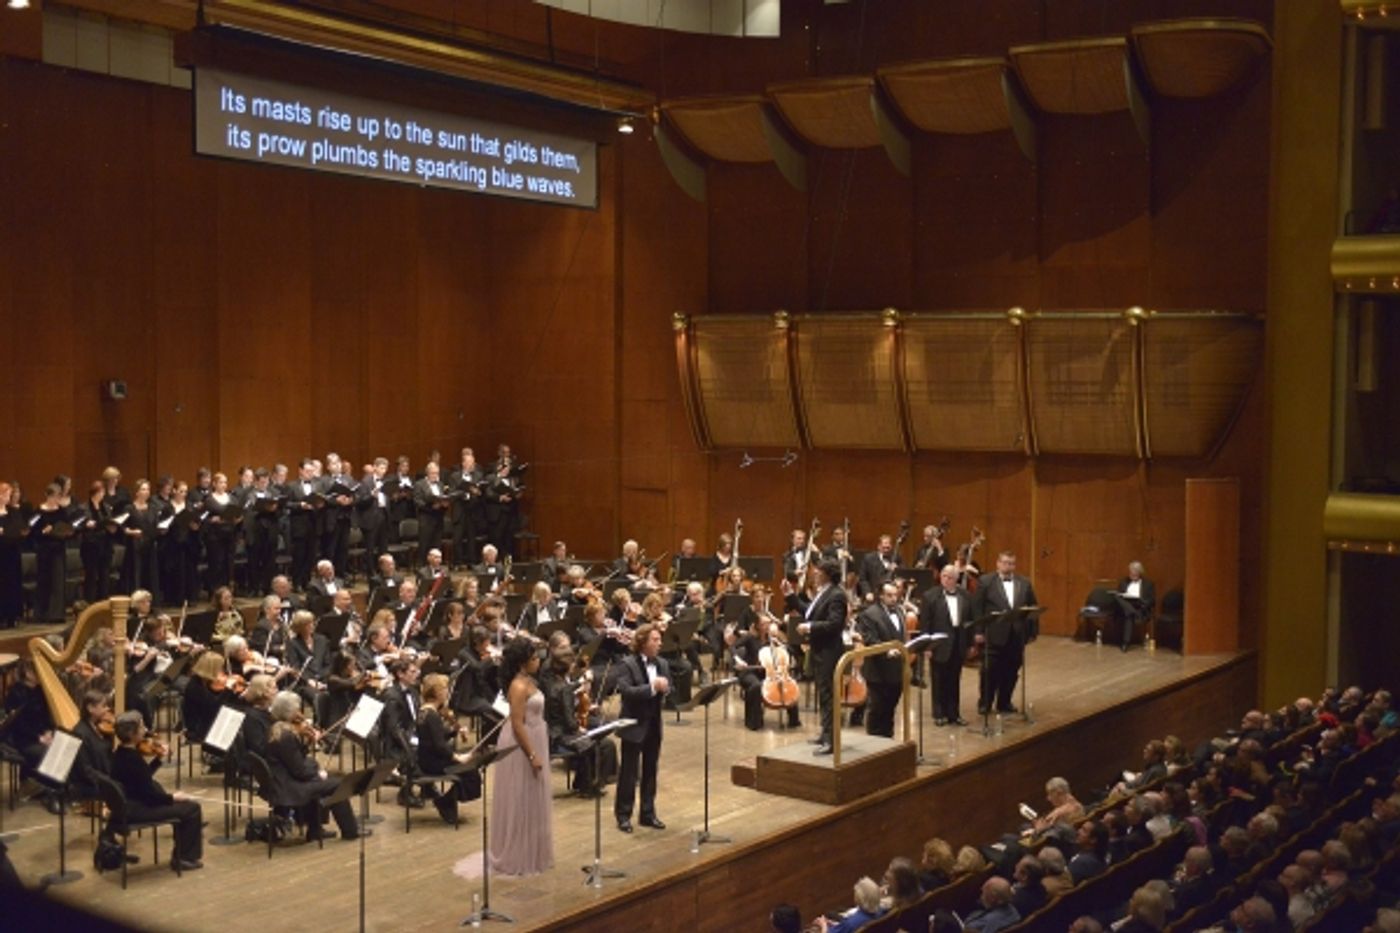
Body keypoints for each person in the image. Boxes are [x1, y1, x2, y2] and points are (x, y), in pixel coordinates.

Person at [488, 636, 553, 875]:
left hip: (536, 736)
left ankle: (532, 851)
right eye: (534, 658)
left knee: (533, 794)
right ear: (522, 662)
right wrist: (532, 754)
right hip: (521, 743)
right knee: (519, 796)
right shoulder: (517, 686)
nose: (538, 661)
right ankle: (516, 853)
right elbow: (517, 724)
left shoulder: (530, 680)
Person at [263, 692, 364, 840]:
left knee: (329, 779)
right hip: (289, 787)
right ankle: (350, 831)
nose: (300, 713)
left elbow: (295, 758)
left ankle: (315, 829)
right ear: (290, 713)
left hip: (284, 780)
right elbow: (300, 771)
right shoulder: (286, 736)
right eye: (297, 710)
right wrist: (316, 769)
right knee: (337, 784)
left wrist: (308, 741)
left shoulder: (277, 728)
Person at [110, 711, 204, 870]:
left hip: (130, 805)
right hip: (137, 809)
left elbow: (142, 778)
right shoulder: (132, 760)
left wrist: (158, 759)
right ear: (132, 734)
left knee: (182, 806)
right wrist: (173, 797)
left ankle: (181, 853)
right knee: (192, 809)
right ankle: (184, 858)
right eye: (141, 727)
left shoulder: (121, 753)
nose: (145, 730)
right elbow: (150, 797)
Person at [614, 622, 670, 833]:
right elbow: (627, 692)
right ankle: (623, 815)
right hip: (633, 725)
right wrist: (652, 688)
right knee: (629, 773)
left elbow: (669, 687)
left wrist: (666, 689)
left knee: (650, 771)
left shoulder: (662, 663)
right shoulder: (627, 664)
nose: (659, 643)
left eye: (659, 639)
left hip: (654, 725)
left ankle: (648, 813)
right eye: (655, 640)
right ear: (643, 642)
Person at [789, 560, 848, 756]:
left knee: (829, 696)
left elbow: (835, 624)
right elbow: (808, 611)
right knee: (823, 695)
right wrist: (790, 595)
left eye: (818, 572)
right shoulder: (824, 592)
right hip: (820, 651)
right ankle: (825, 734)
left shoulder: (837, 595)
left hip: (829, 652)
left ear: (828, 574)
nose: (814, 574)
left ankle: (831, 741)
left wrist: (810, 627)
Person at [414, 673, 482, 825]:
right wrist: (457, 757)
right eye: (444, 688)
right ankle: (445, 802)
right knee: (470, 773)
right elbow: (439, 745)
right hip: (433, 762)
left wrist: (454, 731)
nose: (447, 692)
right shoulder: (432, 716)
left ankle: (446, 802)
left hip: (427, 759)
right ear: (436, 692)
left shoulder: (424, 711)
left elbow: (435, 737)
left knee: (469, 771)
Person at [976, 550, 1038, 715]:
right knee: (989, 671)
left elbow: (1032, 607)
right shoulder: (986, 581)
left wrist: (1032, 632)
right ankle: (985, 703)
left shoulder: (1024, 582)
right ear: (998, 563)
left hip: (1016, 635)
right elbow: (978, 608)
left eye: (1011, 563)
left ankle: (1004, 702)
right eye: (1005, 563)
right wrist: (978, 631)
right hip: (993, 634)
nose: (1008, 566)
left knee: (1011, 671)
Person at [921, 563, 973, 726]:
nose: (946, 580)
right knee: (938, 680)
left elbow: (969, 621)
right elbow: (925, 624)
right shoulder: (930, 596)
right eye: (944, 576)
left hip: (958, 642)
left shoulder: (965, 595)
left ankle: (954, 714)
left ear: (956, 579)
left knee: (954, 680)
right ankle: (939, 714)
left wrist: (970, 644)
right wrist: (927, 646)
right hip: (939, 644)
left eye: (950, 577)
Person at [855, 582, 907, 738]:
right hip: (878, 670)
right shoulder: (869, 614)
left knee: (890, 709)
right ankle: (874, 742)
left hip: (896, 669)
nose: (894, 599)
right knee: (877, 709)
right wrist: (886, 651)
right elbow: (870, 638)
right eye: (890, 595)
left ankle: (888, 740)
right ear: (881, 596)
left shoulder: (899, 611)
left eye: (895, 595)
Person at [818, 876, 884, 933]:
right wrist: (838, 926)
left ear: (859, 898)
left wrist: (823, 924)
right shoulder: (881, 912)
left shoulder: (850, 923)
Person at [1118, 561, 1157, 652]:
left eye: (1135, 572)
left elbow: (1152, 600)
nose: (1132, 574)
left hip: (1140, 608)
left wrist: (1143, 604)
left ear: (1140, 573)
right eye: (1131, 572)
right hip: (1126, 607)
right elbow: (1120, 596)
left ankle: (1125, 643)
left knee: (1129, 614)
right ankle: (1132, 612)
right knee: (1118, 598)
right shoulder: (1123, 582)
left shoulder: (1148, 584)